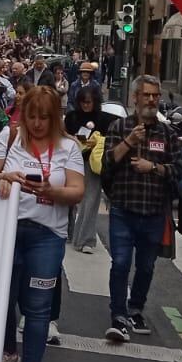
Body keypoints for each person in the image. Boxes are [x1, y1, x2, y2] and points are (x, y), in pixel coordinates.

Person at [0, 85, 84, 362]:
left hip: (47, 234)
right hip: (9, 229)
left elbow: (77, 191)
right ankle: (8, 353)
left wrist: (50, 190)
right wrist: (5, 177)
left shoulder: (69, 147)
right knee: (4, 298)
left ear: (56, 117)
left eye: (45, 117)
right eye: (32, 116)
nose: (38, 124)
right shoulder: (10, 137)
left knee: (38, 306)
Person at [100, 75, 182, 343]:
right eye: (146, 95)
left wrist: (154, 168)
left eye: (155, 96)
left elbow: (179, 170)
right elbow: (107, 163)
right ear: (135, 97)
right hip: (124, 206)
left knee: (146, 266)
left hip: (154, 211)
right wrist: (129, 143)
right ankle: (118, 315)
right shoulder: (119, 126)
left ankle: (136, 308)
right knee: (121, 262)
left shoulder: (167, 133)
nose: (151, 100)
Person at [64, 85, 116, 254]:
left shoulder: (104, 119)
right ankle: (68, 232)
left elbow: (113, 133)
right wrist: (71, 138)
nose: (86, 105)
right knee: (69, 199)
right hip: (72, 161)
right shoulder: (72, 117)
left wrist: (99, 141)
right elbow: (62, 134)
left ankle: (85, 239)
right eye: (83, 102)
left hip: (92, 163)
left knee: (91, 200)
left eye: (89, 102)